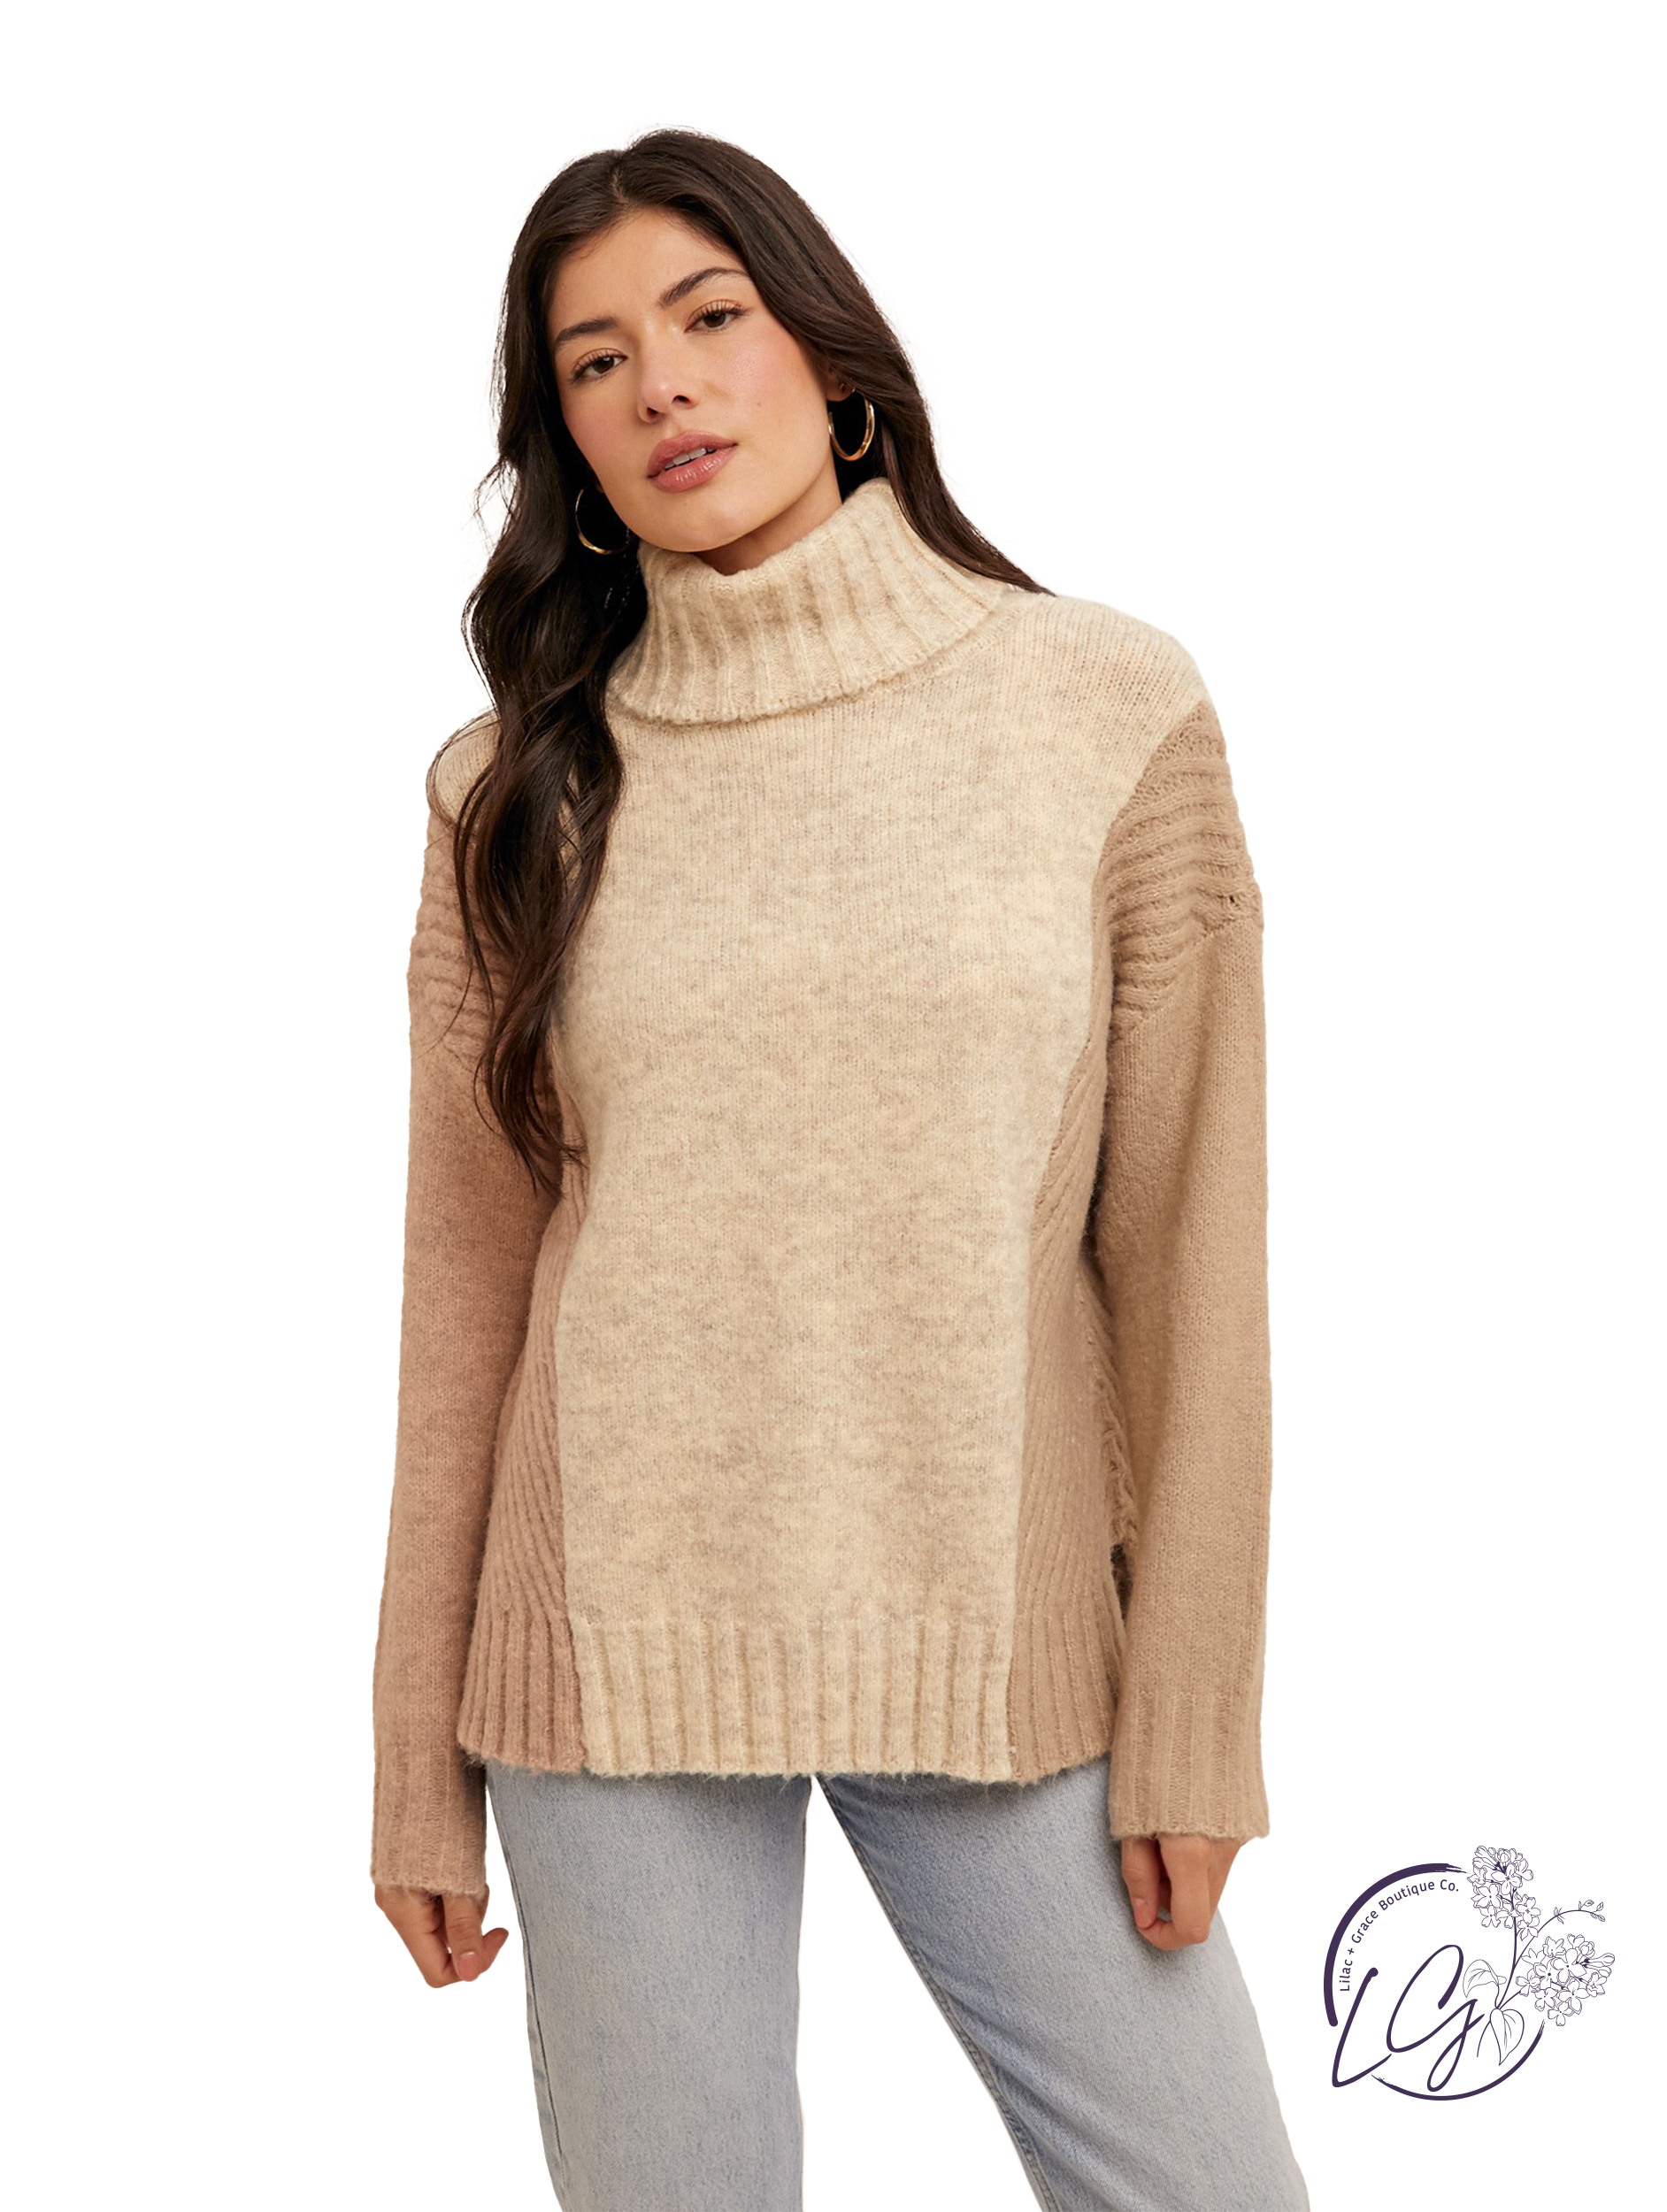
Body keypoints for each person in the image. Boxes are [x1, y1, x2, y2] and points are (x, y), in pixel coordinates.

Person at [369, 127, 1310, 2212]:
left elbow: (1190, 1254)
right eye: (594, 362)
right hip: (605, 1661)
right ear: (565, 443)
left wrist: (1196, 1714)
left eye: (709, 317)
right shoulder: (508, 791)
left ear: (831, 355)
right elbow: (465, 1305)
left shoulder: (1104, 710)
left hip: (1001, 1631)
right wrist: (416, 1758)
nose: (664, 386)